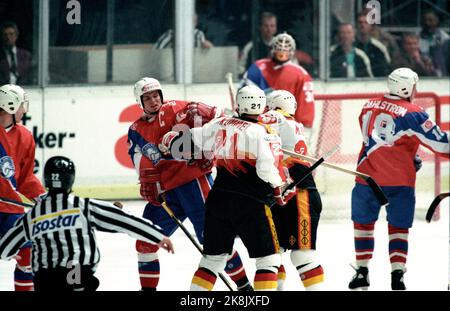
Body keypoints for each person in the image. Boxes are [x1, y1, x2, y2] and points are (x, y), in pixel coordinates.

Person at [159, 85, 295, 291]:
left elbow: (190, 139)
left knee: (212, 261)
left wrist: (170, 139)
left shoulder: (219, 124)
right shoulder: (264, 133)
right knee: (268, 260)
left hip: (218, 201)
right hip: (251, 205)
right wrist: (279, 190)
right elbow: (267, 170)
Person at [128, 77, 252, 291]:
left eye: (156, 95)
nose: (153, 101)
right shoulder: (136, 130)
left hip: (194, 183)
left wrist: (212, 138)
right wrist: (147, 180)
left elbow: (218, 119)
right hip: (167, 192)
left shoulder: (178, 108)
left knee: (216, 240)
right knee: (145, 239)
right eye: (147, 98)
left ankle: (244, 287)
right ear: (140, 102)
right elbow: (140, 159)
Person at [0, 156, 174, 291]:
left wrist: (8, 254)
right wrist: (157, 235)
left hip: (45, 279)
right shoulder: (82, 206)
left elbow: (6, 247)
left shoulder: (33, 215)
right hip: (77, 273)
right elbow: (124, 220)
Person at [348, 68, 450, 290]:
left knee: (363, 225)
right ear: (406, 87)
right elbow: (442, 144)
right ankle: (397, 275)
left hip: (367, 178)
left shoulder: (368, 105)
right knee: (398, 227)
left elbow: (376, 139)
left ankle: (362, 272)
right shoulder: (414, 112)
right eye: (414, 85)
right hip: (399, 181)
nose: (416, 89)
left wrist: (409, 154)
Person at [264, 90, 325, 291]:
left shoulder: (281, 120)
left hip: (300, 195)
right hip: (280, 194)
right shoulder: (289, 124)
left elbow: (269, 119)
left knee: (302, 255)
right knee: (273, 253)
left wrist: (241, 117)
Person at [0, 84, 45, 291]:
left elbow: (26, 178)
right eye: (20, 105)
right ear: (9, 105)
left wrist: (43, 198)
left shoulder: (25, 136)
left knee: (28, 253)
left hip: (12, 210)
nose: (24, 110)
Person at [241, 32, 315, 140]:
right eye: (279, 50)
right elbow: (244, 96)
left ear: (292, 52)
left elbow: (305, 110)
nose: (281, 54)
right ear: (272, 49)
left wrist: (304, 133)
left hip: (287, 130)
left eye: (285, 51)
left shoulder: (301, 74)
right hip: (259, 126)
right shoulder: (258, 68)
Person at [238, 12, 277, 76]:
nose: (269, 29)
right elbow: (240, 68)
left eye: (272, 26)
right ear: (260, 27)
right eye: (266, 26)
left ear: (276, 28)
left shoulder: (282, 45)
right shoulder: (251, 46)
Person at [355, 11, 391, 77]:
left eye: (366, 22)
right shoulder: (351, 46)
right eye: (360, 22)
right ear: (356, 25)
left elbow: (386, 68)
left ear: (371, 26)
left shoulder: (380, 48)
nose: (362, 25)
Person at [418, 10, 449, 77]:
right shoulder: (416, 37)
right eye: (425, 20)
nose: (427, 23)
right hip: (420, 72)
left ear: (437, 20)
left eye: (431, 20)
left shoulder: (445, 38)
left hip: (441, 74)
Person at [0, 21, 32, 85]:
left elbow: (30, 76)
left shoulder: (25, 55)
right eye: (5, 35)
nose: (8, 37)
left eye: (11, 34)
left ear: (16, 36)